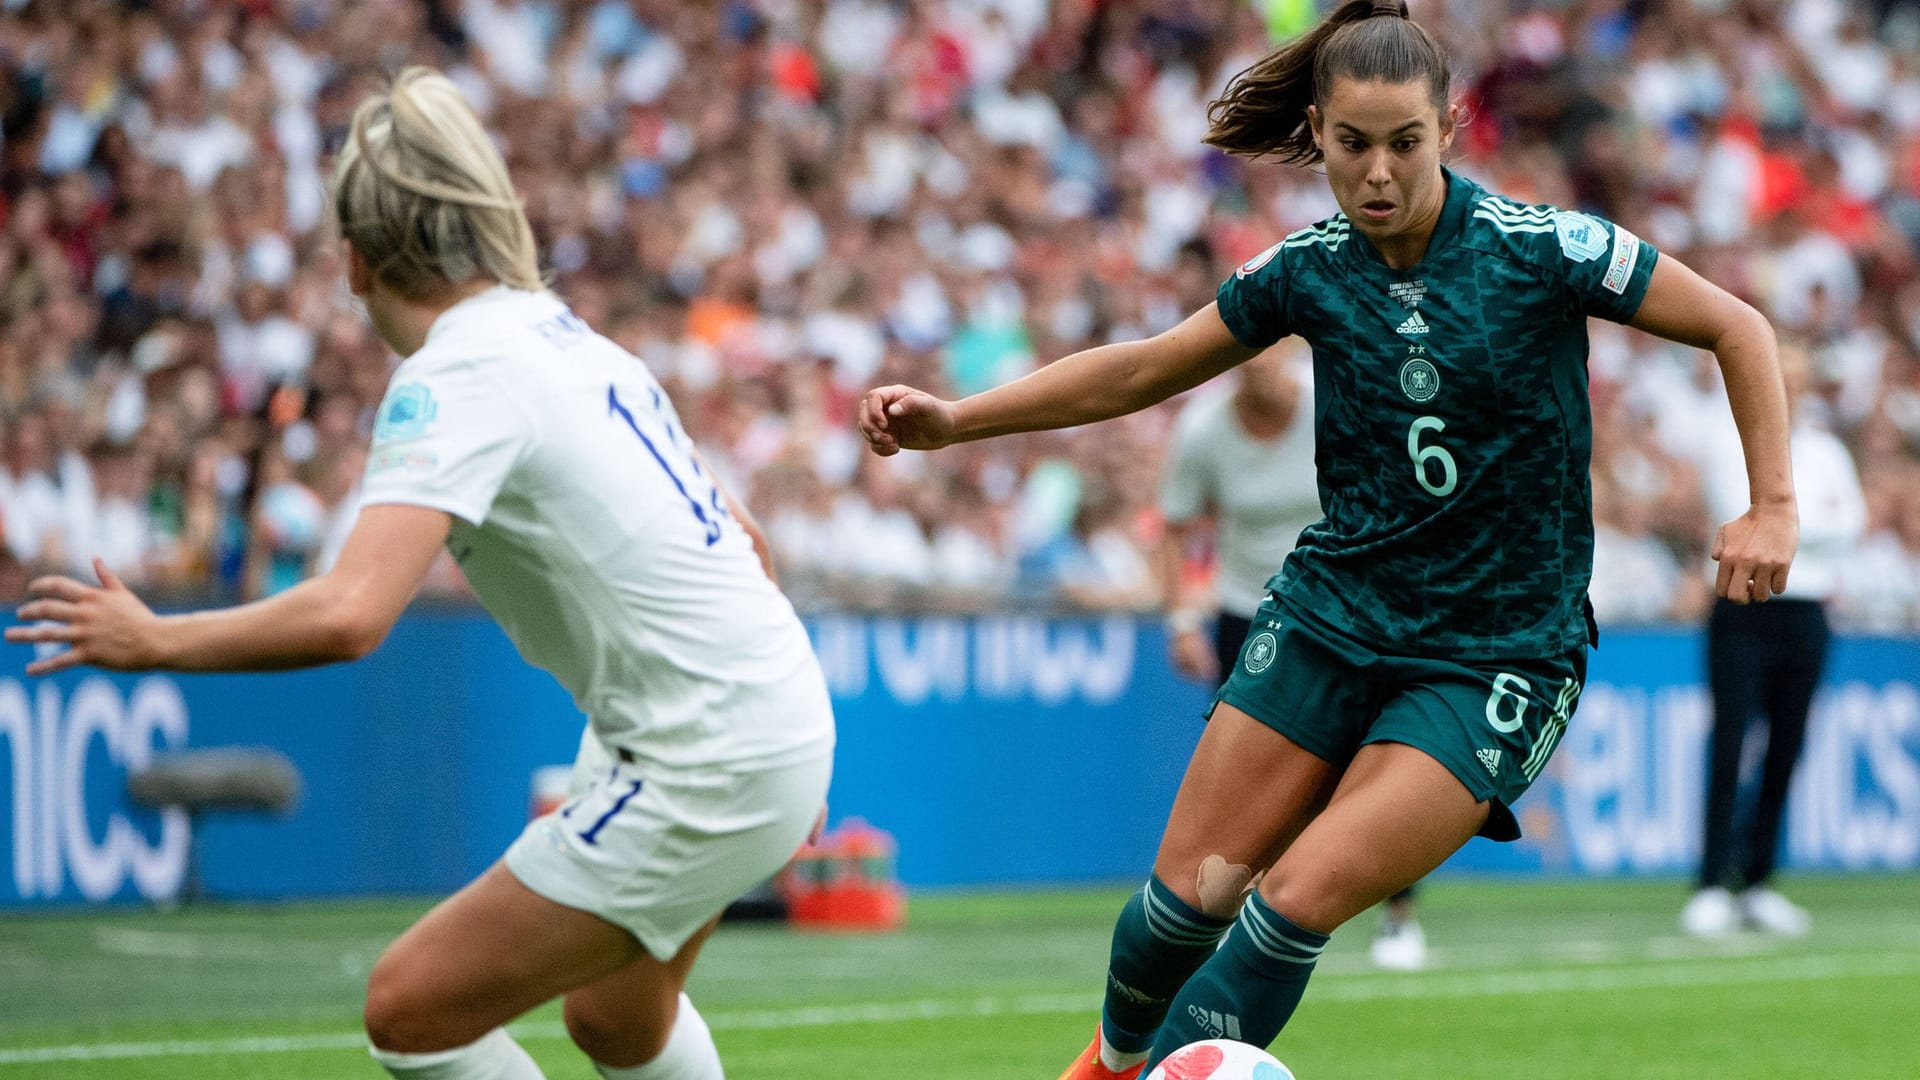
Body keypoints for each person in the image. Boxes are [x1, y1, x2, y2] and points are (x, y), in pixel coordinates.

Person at [857, 2, 1796, 1076]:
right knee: (1169, 918)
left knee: (1289, 903)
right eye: (1353, 145)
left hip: (1496, 656)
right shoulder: (1306, 270)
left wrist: (1773, 504)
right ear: (1319, 133)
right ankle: (1110, 1066)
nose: (1380, 172)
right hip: (1332, 617)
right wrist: (956, 421)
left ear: (1450, 127)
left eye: (1406, 142)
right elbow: (1139, 367)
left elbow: (1740, 326)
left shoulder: (1544, 250)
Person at [8, 68, 834, 1080]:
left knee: (408, 1009)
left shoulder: (456, 373)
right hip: (770, 716)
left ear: (353, 262)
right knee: (619, 1022)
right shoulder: (577, 341)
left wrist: (155, 639)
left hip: (710, 750)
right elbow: (743, 538)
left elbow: (351, 615)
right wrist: (777, 750)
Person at [1158, 346, 1429, 971]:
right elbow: (1175, 525)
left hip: (1346, 610)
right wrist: (1181, 619)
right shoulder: (1202, 430)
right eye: (1243, 357)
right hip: (1247, 614)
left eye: (1267, 353)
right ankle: (1231, 916)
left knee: (1375, 764)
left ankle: (1399, 914)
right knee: (1245, 778)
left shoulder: (1337, 397)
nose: (1256, 366)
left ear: (1290, 349)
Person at [1681, 341, 1865, 938]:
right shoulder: (1726, 439)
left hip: (1807, 610)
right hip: (1743, 604)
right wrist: (1798, 523)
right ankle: (1712, 883)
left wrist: (1785, 526)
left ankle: (1758, 881)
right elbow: (1736, 518)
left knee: (1787, 746)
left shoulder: (1826, 450)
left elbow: (1850, 524)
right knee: (1731, 742)